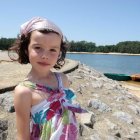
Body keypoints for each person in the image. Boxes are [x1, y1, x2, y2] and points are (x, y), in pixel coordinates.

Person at [9, 17, 87, 140]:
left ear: (59, 53)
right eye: (38, 48)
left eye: (52, 50)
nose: (45, 56)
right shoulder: (24, 91)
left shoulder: (63, 79)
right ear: (26, 49)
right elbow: (22, 136)